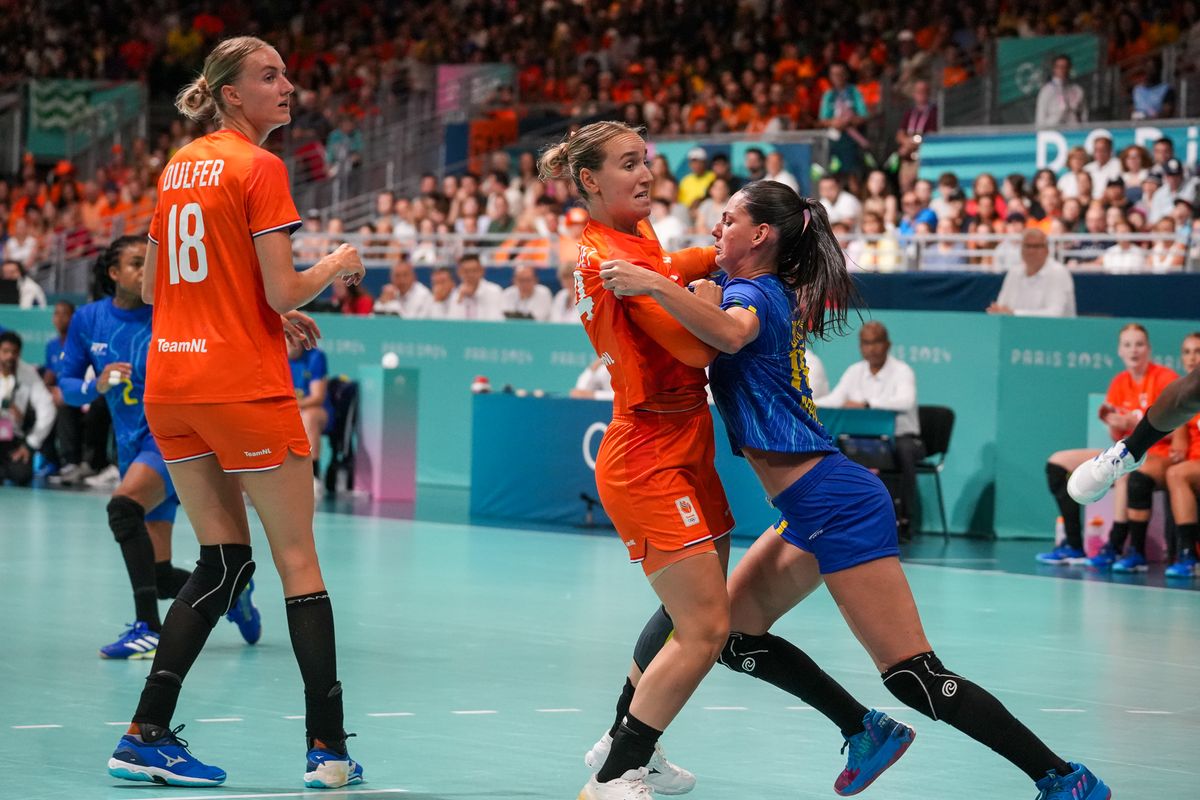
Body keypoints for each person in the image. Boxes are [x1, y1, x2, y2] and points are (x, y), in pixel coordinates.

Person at [600, 180, 1110, 800]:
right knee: (729, 635)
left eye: (727, 219)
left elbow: (730, 335)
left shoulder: (754, 293)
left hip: (837, 502)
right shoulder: (746, 289)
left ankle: (1063, 778)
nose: (715, 230)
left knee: (913, 677)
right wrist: (680, 286)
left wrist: (654, 283)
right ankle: (863, 730)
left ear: (761, 235)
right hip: (807, 506)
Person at [105, 36, 365, 789]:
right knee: (298, 564)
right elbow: (286, 286)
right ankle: (329, 751)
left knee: (224, 559)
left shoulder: (179, 164)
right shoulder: (261, 166)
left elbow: (157, 287)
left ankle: (145, 733)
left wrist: (256, 313)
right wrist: (340, 264)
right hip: (240, 385)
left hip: (173, 383)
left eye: (287, 72)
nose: (287, 85)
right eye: (268, 75)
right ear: (229, 94)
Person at [540, 121, 734, 799]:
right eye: (629, 164)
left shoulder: (636, 241)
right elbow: (699, 347)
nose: (647, 173)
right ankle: (616, 772)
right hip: (647, 448)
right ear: (590, 180)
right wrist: (709, 292)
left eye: (646, 160)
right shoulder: (609, 260)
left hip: (689, 436)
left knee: (699, 605)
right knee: (708, 626)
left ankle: (625, 741)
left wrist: (705, 259)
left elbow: (666, 268)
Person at [59, 236, 262, 659]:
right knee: (158, 572)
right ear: (114, 273)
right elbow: (68, 389)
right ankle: (235, 589)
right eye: (136, 263)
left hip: (175, 438)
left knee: (122, 508)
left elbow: (228, 315)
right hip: (132, 445)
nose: (146, 271)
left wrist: (277, 314)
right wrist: (93, 386)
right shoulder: (88, 319)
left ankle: (147, 629)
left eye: (150, 264)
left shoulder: (172, 312)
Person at [1040, 324, 1179, 571]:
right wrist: (1113, 423)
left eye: (1139, 344)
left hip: (1156, 454)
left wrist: (1132, 422)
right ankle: (1073, 544)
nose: (1133, 350)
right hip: (1123, 450)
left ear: (1149, 349)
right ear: (1119, 351)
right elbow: (1117, 435)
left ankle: (1115, 544)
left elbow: (1175, 428)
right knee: (1057, 462)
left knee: (1124, 472)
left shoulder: (1165, 378)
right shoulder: (1119, 382)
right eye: (1127, 345)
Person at [819, 322, 923, 541]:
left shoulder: (903, 371)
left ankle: (904, 519)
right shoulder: (854, 372)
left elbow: (905, 401)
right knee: (832, 448)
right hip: (861, 439)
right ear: (860, 347)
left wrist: (867, 404)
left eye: (876, 342)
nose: (872, 348)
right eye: (866, 343)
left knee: (905, 451)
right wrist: (806, 403)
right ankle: (838, 518)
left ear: (887, 344)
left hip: (903, 439)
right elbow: (835, 400)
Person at [0, 330, 55, 486]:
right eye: (5, 351)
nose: (9, 356)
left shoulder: (28, 373)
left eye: (14, 352)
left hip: (13, 437)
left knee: (22, 476)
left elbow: (48, 408)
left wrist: (30, 444)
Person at [986, 229, 1076, 317]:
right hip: (1017, 330)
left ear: (1047, 249)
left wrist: (1014, 314)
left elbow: (1055, 314)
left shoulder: (1059, 272)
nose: (1031, 251)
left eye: (1036, 246)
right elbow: (1002, 307)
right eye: (1027, 246)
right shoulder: (1014, 272)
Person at [288, 337, 332, 499]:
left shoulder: (315, 357)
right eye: (285, 338)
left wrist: (293, 405)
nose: (290, 343)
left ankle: (313, 474)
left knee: (309, 416)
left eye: (292, 338)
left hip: (317, 412)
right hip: (286, 412)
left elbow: (317, 397)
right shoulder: (275, 356)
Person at [1035, 54, 1087, 127]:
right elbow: (1040, 118)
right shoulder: (1047, 90)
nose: (1062, 70)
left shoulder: (1077, 90)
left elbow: (1084, 115)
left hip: (1074, 132)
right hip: (1053, 132)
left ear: (1069, 68)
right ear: (1054, 69)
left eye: (1065, 67)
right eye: (1059, 67)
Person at [449, 253, 504, 320]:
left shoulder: (494, 291)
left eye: (474, 270)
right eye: (466, 271)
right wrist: (460, 299)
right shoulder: (455, 294)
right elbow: (452, 323)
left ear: (482, 271)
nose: (470, 275)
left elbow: (496, 319)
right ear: (459, 273)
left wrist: (475, 295)